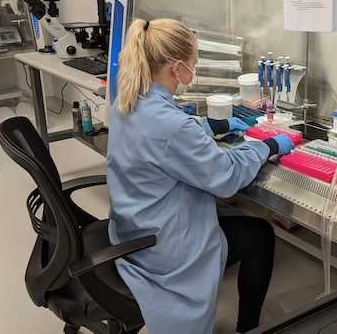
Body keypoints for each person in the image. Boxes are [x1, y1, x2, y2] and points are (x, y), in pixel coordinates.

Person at [107, 18, 295, 334]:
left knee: (242, 224)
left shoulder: (128, 98)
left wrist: (212, 126)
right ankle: (248, 328)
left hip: (132, 226)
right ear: (176, 68)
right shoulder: (172, 125)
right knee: (260, 235)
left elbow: (162, 138)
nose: (196, 67)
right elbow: (226, 178)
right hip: (164, 246)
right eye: (195, 62)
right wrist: (268, 146)